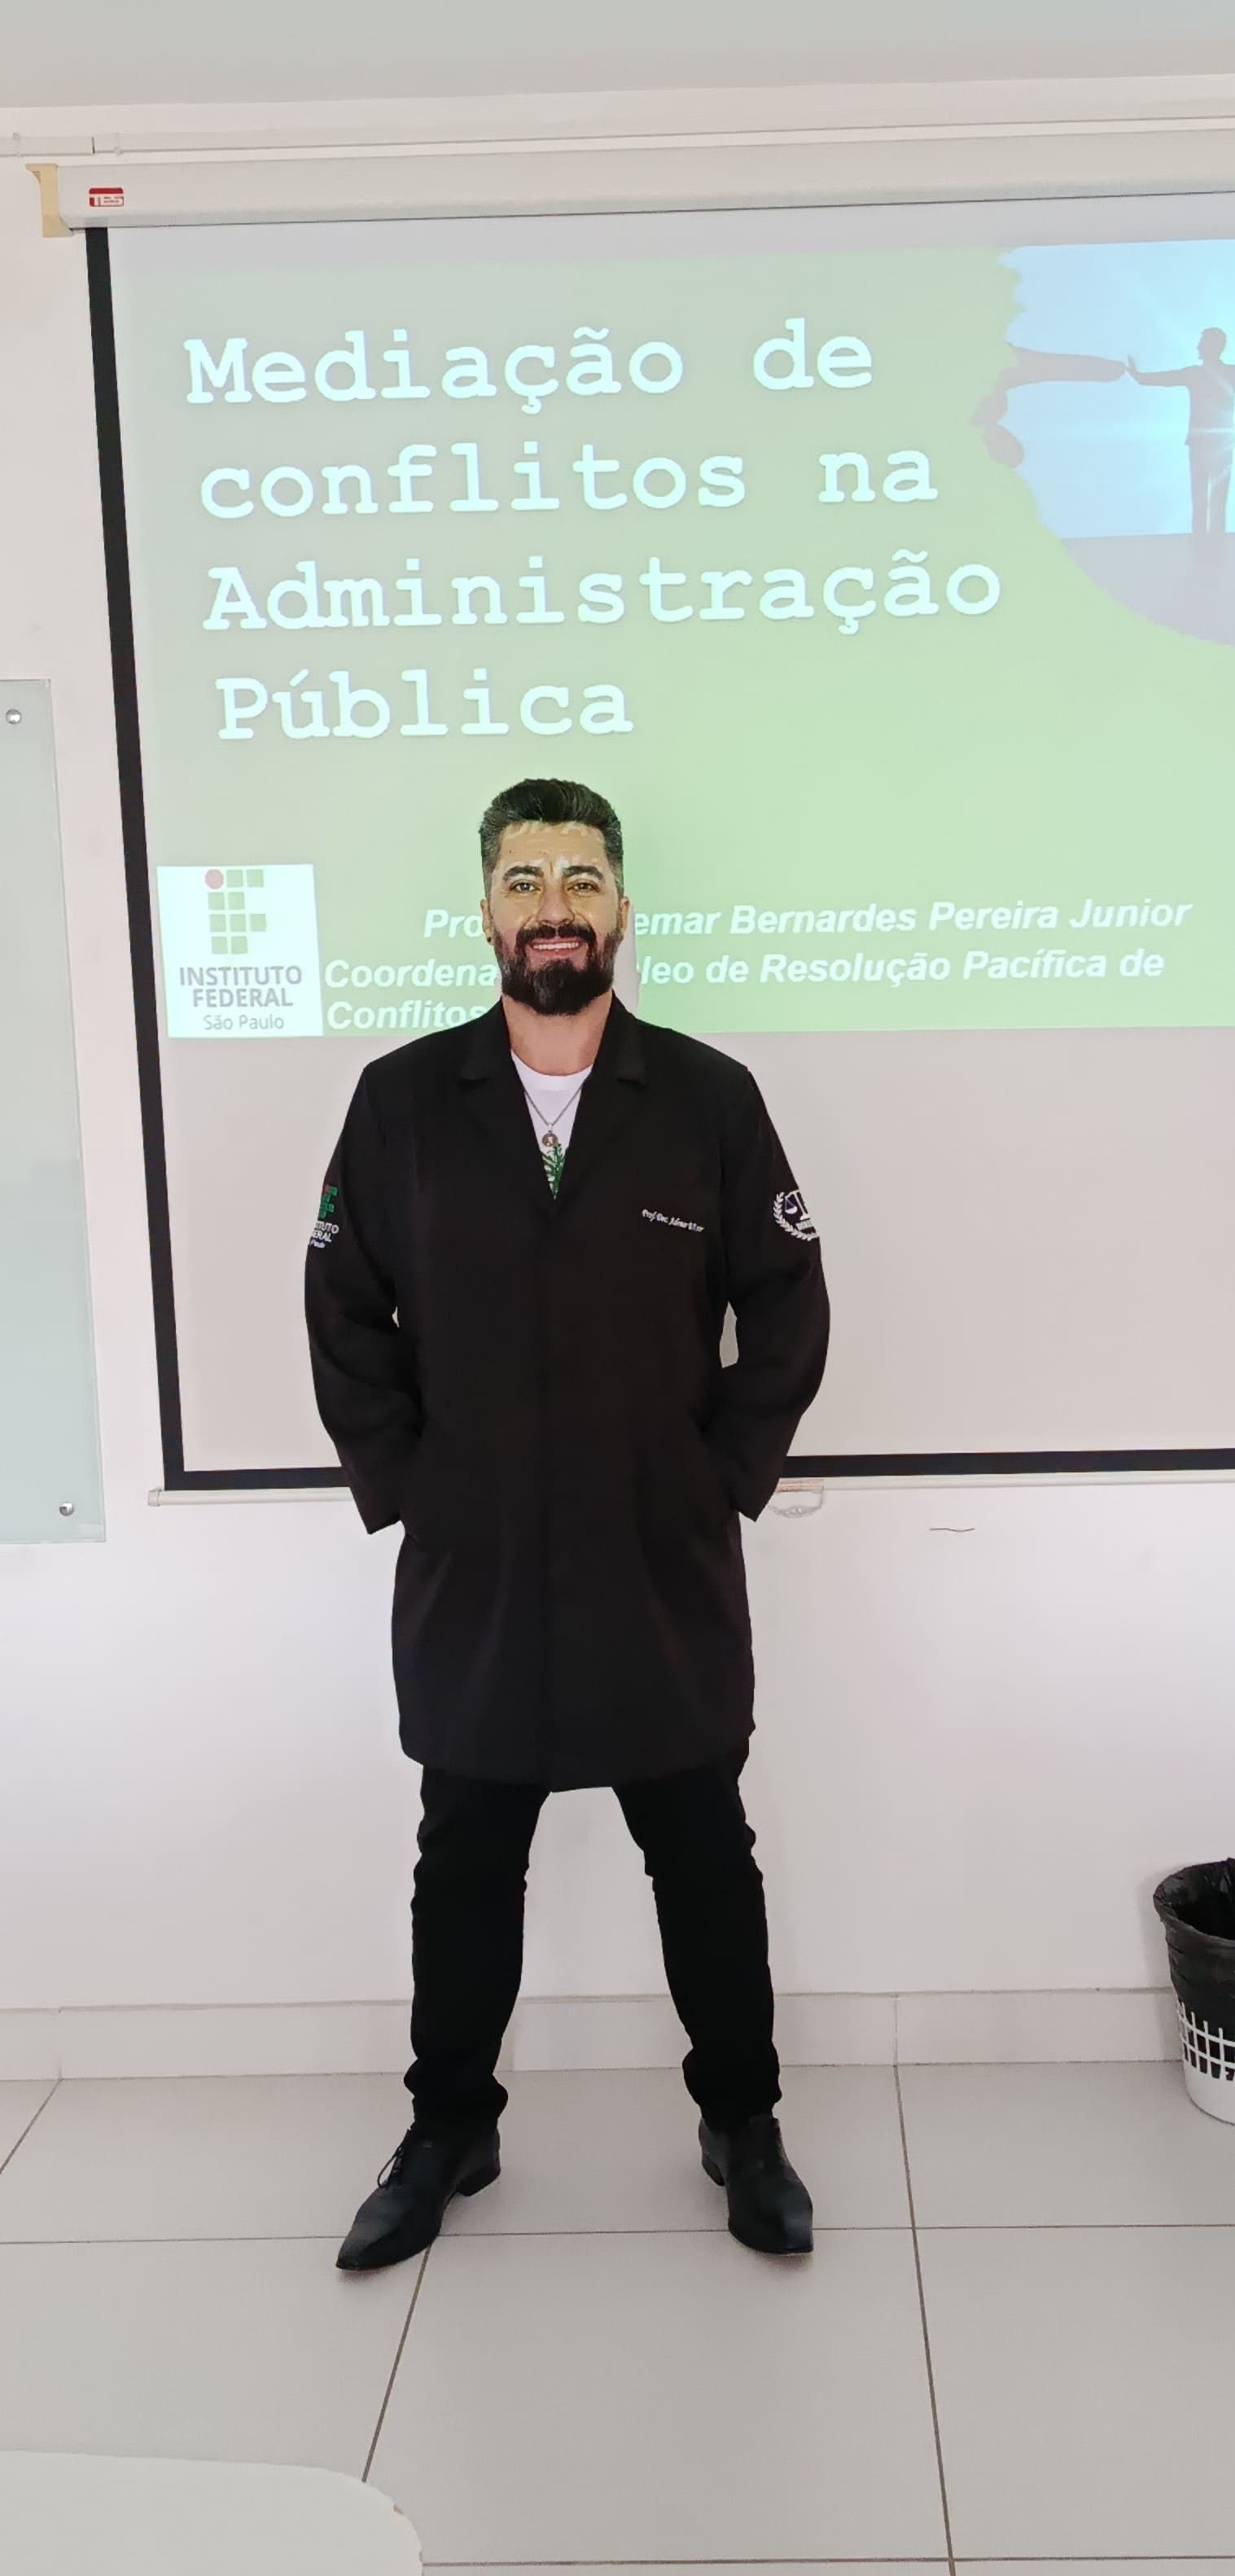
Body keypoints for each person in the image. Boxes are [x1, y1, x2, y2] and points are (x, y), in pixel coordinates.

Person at [306, 779, 830, 2271]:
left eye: (582, 880)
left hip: (659, 1559)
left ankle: (744, 2123)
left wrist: (716, 1476)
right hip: (476, 1565)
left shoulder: (709, 1100)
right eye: (527, 880)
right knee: (466, 1856)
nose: (555, 907)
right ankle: (446, 2129)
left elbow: (788, 1307)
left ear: (621, 911)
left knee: (703, 1852)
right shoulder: (403, 1102)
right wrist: (415, 1485)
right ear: (486, 911)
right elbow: (341, 1309)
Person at [1124, 326, 1235, 536]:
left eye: (1201, 343)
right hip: (1212, 442)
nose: (1197, 347)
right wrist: (1140, 376)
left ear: (1211, 346)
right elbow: (1165, 378)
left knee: (1210, 498)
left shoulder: (1207, 373)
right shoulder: (1207, 373)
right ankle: (1204, 542)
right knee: (1208, 498)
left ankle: (1211, 542)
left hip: (1213, 442)